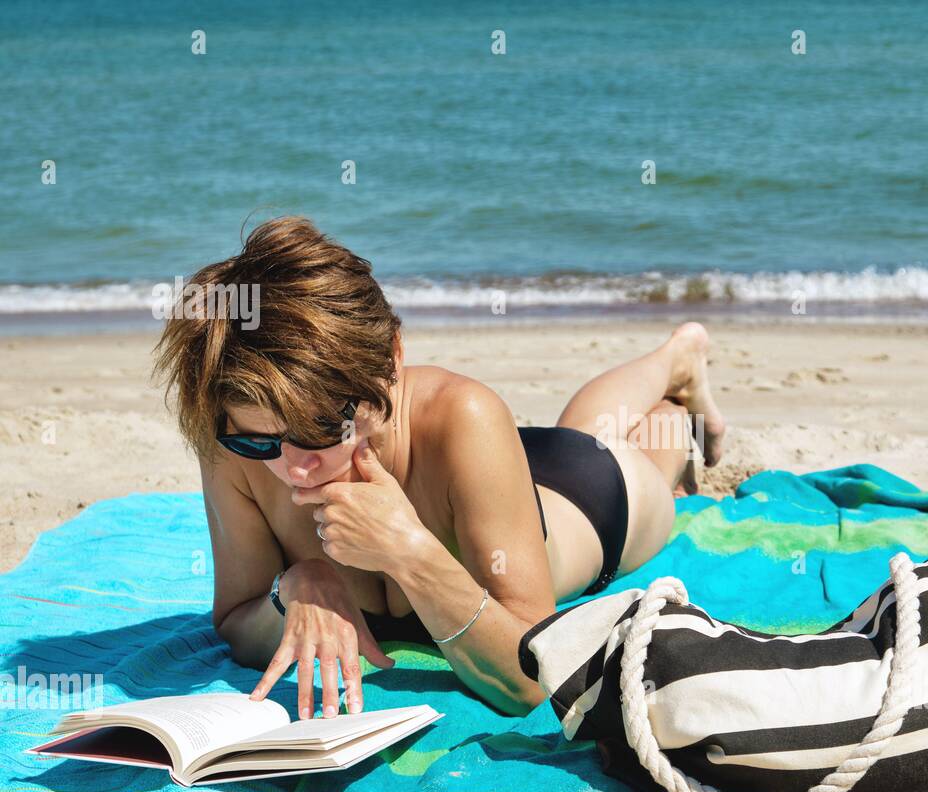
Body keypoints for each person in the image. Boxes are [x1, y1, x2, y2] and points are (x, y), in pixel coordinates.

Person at [153, 217, 726, 719]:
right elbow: (235, 617)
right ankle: (674, 367)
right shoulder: (232, 435)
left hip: (590, 497)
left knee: (624, 445)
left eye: (321, 429)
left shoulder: (465, 414)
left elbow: (533, 677)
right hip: (485, 475)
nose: (295, 468)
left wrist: (410, 550)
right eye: (262, 444)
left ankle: (676, 368)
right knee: (588, 427)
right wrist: (297, 586)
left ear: (391, 361)